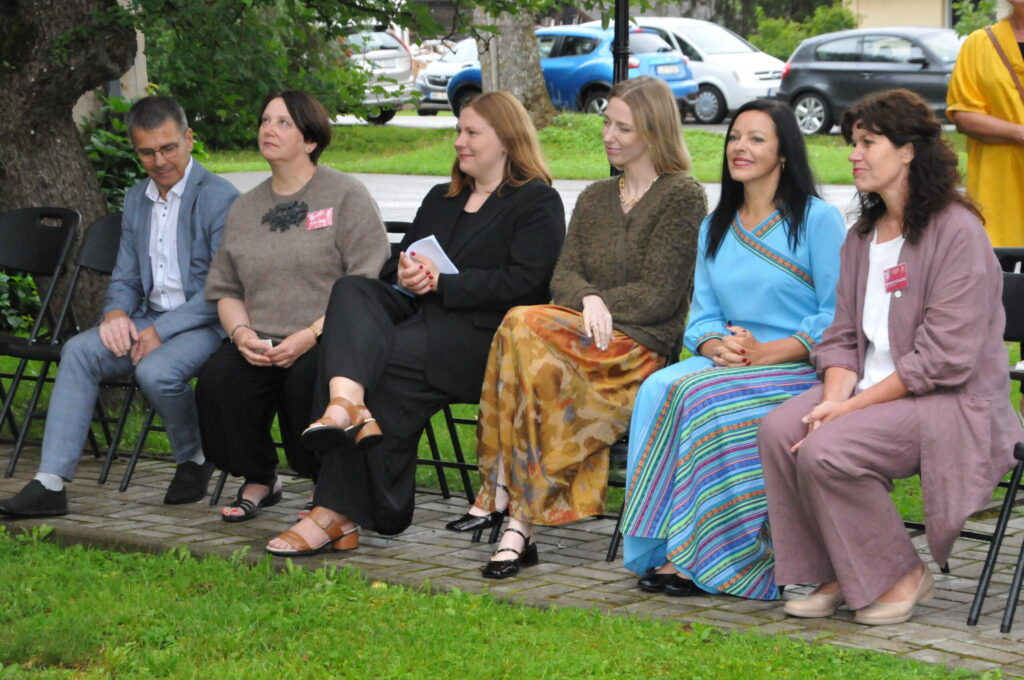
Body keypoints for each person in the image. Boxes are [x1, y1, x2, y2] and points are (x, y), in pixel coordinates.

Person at [758, 89, 1022, 626]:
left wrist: (844, 412)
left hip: (948, 401)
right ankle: (836, 572)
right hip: (870, 389)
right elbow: (840, 336)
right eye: (853, 143)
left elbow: (943, 360)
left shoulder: (957, 231)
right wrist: (832, 401)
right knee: (779, 430)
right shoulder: (862, 238)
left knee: (828, 450)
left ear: (907, 151)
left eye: (868, 143)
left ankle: (903, 575)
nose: (854, 154)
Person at [263, 91, 565, 556]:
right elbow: (401, 262)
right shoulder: (442, 197)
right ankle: (347, 405)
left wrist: (443, 283)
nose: (459, 141)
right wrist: (404, 273)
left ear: (506, 139)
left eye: (471, 133)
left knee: (377, 361)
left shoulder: (536, 202)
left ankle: (338, 512)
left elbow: (527, 283)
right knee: (351, 291)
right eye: (458, 131)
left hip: (483, 341)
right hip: (420, 318)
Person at [444, 76, 707, 579]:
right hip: (578, 342)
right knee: (531, 348)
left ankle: (500, 490)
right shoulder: (594, 196)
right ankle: (519, 526)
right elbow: (562, 276)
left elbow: (661, 296)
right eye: (606, 123)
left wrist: (601, 304)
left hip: (636, 353)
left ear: (653, 132)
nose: (608, 135)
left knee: (523, 326)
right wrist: (588, 299)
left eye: (622, 127)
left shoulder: (682, 197)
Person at [619, 99, 845, 599]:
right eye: (735, 137)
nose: (740, 147)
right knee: (658, 387)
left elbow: (835, 315)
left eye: (756, 139)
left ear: (784, 153)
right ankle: (663, 544)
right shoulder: (715, 225)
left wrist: (768, 352)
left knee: (704, 400)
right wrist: (715, 344)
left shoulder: (818, 220)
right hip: (729, 361)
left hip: (796, 366)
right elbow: (701, 313)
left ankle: (717, 559)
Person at [0, 96, 239, 517]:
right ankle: (50, 484)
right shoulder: (135, 199)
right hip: (149, 316)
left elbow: (219, 291)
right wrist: (115, 315)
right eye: (147, 152)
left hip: (205, 321)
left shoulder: (221, 198)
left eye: (168, 148)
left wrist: (160, 332)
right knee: (79, 350)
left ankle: (195, 455)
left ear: (189, 139)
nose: (159, 161)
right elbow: (126, 276)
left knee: (156, 371)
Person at [196, 90, 388, 523]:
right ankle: (260, 477)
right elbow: (226, 289)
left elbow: (366, 282)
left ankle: (325, 484)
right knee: (219, 382)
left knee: (307, 380)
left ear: (310, 140)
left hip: (327, 336)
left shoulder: (345, 194)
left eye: (283, 122)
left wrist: (310, 335)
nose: (269, 129)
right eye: (265, 120)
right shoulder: (245, 207)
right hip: (260, 339)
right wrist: (241, 334)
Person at [946, 0, 1024, 247]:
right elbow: (964, 116)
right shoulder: (980, 44)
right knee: (1001, 264)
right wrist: (1019, 133)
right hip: (999, 194)